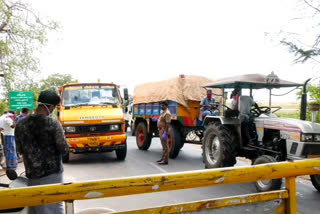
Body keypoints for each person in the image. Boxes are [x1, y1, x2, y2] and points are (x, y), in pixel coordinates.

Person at [15, 89, 69, 214]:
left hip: (32, 175)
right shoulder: (53, 124)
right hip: (52, 175)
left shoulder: (21, 124)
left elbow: (20, 150)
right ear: (50, 107)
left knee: (35, 207)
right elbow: (64, 149)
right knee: (54, 208)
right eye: (54, 107)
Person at [156, 101, 171, 165]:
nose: (161, 106)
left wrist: (165, 133)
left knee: (165, 146)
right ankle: (163, 158)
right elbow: (162, 120)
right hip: (161, 129)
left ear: (166, 106)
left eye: (162, 105)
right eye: (161, 105)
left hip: (163, 130)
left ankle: (165, 161)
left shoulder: (167, 113)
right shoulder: (163, 112)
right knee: (163, 145)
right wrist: (157, 120)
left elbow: (167, 124)